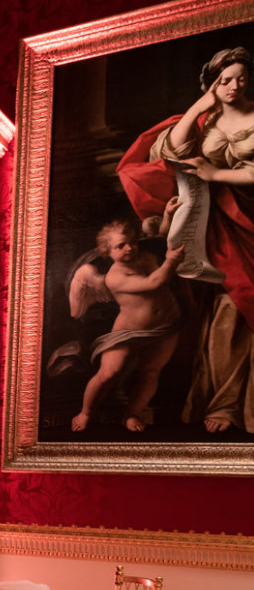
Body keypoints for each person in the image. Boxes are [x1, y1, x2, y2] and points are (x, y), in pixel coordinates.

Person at [118, 46, 254, 434]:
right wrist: (199, 107)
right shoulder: (204, 120)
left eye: (241, 79)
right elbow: (169, 153)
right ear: (212, 82)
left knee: (242, 304)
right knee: (227, 308)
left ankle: (237, 404)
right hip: (216, 225)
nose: (234, 86)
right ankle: (224, 402)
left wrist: (216, 175)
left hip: (249, 216)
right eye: (225, 80)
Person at [70, 219, 185, 432]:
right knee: (108, 373)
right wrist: (171, 261)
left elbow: (161, 238)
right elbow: (153, 283)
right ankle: (85, 412)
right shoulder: (115, 277)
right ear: (108, 251)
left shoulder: (147, 256)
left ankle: (131, 414)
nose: (129, 248)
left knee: (150, 372)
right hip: (128, 332)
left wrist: (168, 215)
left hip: (165, 326)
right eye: (120, 246)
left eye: (132, 242)